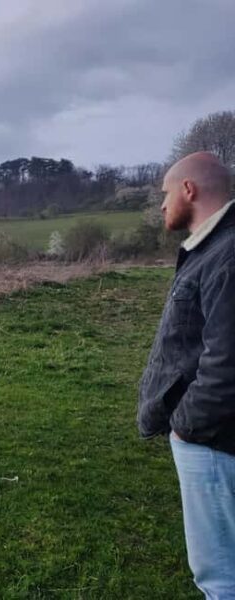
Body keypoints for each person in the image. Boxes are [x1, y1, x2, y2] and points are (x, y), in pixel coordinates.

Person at [138, 151, 235, 598]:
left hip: (214, 441)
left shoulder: (227, 254)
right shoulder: (214, 249)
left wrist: (185, 428)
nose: (161, 205)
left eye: (165, 194)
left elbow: (227, 364)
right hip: (213, 437)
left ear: (189, 190)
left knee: (221, 575)